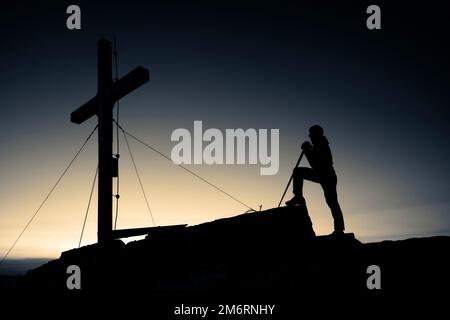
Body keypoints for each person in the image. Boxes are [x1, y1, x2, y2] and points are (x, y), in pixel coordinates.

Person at [286, 125, 345, 235]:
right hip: (321, 174)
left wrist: (308, 150)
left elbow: (316, 164)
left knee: (332, 202)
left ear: (316, 134)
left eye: (311, 135)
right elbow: (315, 163)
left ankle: (339, 229)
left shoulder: (322, 145)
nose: (310, 137)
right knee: (298, 171)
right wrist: (309, 150)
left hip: (327, 176)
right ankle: (298, 197)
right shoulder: (319, 144)